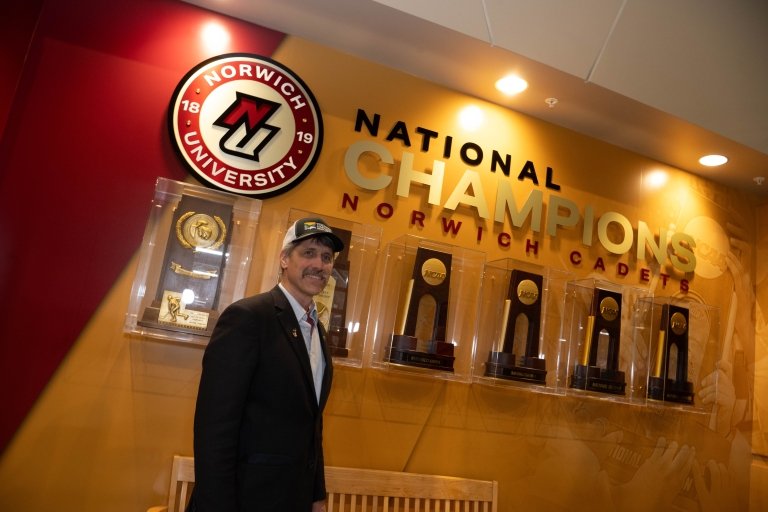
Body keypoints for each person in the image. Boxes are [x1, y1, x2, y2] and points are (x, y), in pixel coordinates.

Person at [187, 217, 344, 512]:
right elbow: (214, 427)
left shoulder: (317, 331)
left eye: (326, 257)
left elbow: (312, 424)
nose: (319, 264)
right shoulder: (248, 317)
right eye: (308, 253)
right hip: (244, 499)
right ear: (284, 258)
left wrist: (316, 494)